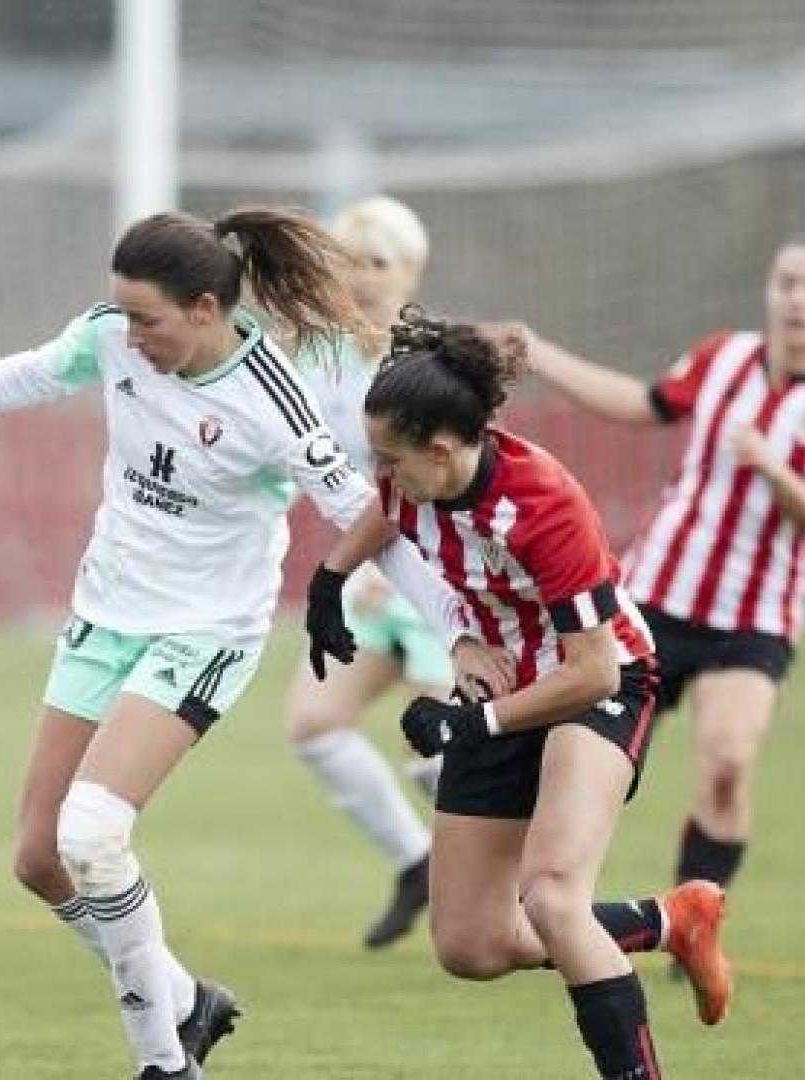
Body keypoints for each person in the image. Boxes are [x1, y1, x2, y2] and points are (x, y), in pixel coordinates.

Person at [0, 208, 475, 1080]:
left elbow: (368, 517)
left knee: (92, 834)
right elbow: (20, 375)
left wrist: (463, 634)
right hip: (105, 617)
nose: (128, 336)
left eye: (146, 319)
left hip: (205, 633)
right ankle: (184, 998)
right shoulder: (112, 341)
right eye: (121, 315)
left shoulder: (274, 400)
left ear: (206, 309)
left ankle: (165, 1064)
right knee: (40, 857)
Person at [307, 310, 731, 1079]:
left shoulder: (541, 506)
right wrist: (330, 579)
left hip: (597, 684)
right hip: (504, 683)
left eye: (390, 459)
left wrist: (473, 722)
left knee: (554, 897)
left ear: (441, 449)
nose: (382, 473)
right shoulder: (416, 476)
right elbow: (388, 510)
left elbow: (595, 670)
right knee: (470, 945)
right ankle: (673, 922)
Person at [509, 236, 805, 923]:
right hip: (656, 596)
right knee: (576, 742)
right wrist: (539, 353)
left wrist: (771, 466)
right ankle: (533, 890)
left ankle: (691, 919)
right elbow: (642, 402)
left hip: (754, 616)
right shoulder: (725, 357)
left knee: (727, 762)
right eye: (786, 282)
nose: (796, 298)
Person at [283, 196, 453, 949]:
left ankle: (534, 894)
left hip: (437, 580)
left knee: (451, 751)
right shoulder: (317, 359)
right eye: (349, 262)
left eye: (378, 263)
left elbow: (457, 479)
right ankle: (417, 862)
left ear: (412, 272)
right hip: (361, 578)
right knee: (315, 726)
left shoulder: (434, 361)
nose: (362, 278)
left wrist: (404, 556)